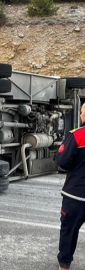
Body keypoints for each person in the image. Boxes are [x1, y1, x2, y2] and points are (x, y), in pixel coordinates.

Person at [56, 102, 85, 270]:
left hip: (76, 195)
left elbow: (63, 162)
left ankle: (64, 265)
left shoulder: (78, 135)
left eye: (82, 112)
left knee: (69, 231)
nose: (81, 115)